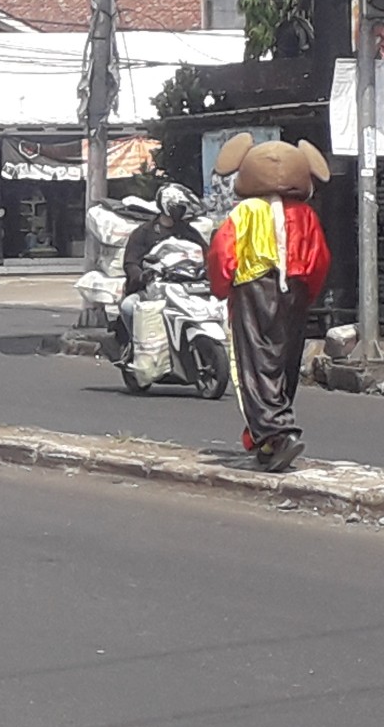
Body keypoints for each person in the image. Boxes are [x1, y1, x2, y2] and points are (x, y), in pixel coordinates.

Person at [207, 134, 332, 473]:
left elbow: (223, 252)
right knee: (285, 360)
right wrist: (308, 296)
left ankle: (277, 432)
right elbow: (320, 259)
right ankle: (270, 434)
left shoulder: (245, 211)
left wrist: (221, 288)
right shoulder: (304, 215)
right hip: (295, 293)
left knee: (255, 362)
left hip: (252, 290)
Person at [117, 183, 206, 355]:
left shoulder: (189, 232)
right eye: (180, 208)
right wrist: (142, 276)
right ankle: (134, 348)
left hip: (186, 288)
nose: (184, 212)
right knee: (129, 307)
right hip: (151, 288)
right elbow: (130, 263)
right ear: (168, 206)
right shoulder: (144, 232)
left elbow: (206, 253)